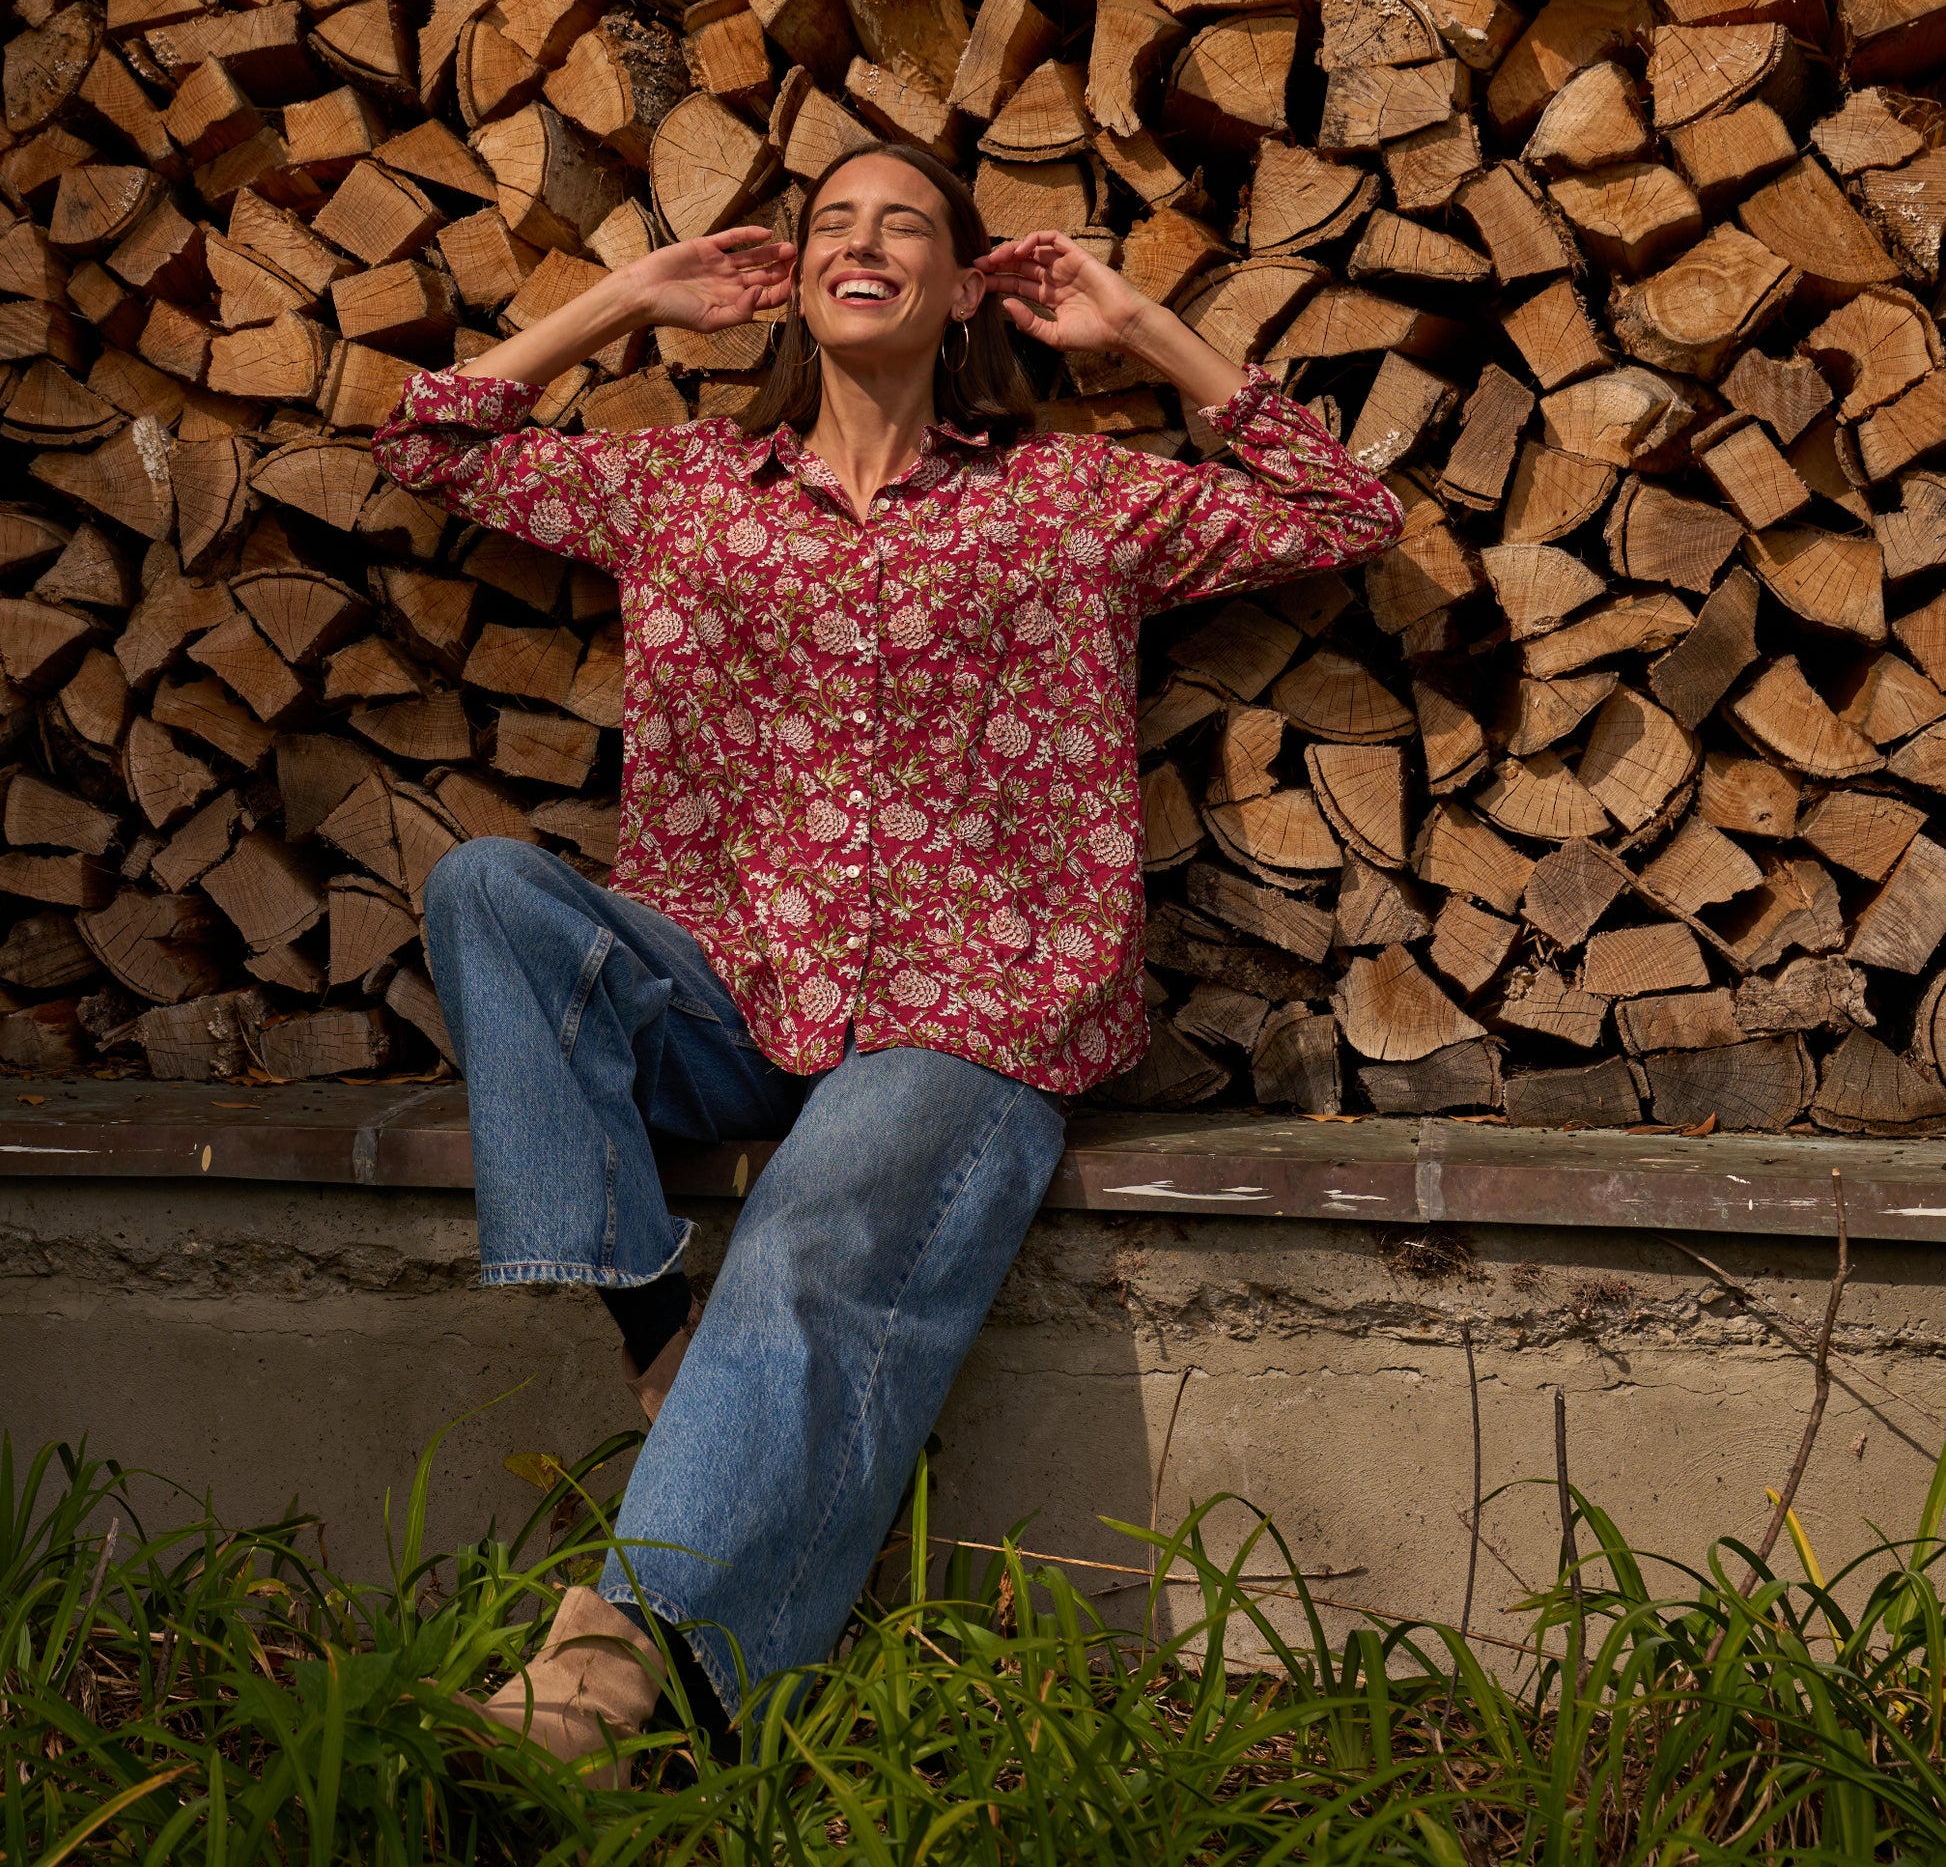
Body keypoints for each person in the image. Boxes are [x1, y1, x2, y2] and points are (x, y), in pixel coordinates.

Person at [371, 143, 1402, 1778]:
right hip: (732, 990)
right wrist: (632, 293)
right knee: (491, 884)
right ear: (793, 279)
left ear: (957, 282)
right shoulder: (687, 486)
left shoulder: (1067, 500)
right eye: (833, 221)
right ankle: (657, 1344)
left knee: (806, 1239)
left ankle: (617, 1655)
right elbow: (427, 439)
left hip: (968, 1023)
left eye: (904, 223)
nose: (864, 241)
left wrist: (1138, 327)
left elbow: (1345, 510)